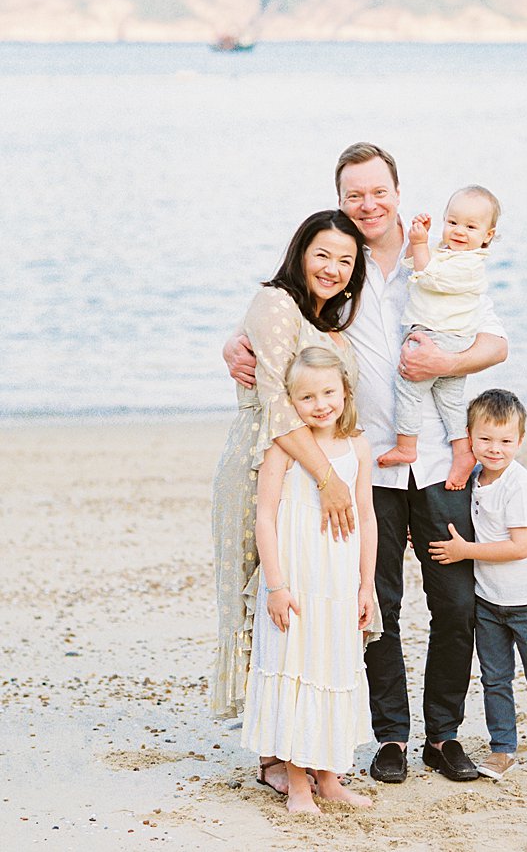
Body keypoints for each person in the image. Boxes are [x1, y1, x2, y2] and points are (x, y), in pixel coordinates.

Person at [225, 144, 508, 783]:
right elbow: (280, 324)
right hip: (364, 466)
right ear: (341, 200)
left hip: (436, 461)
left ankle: (443, 736)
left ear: (398, 192)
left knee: (455, 603)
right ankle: (390, 738)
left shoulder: (438, 259)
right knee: (376, 606)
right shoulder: (338, 269)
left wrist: (446, 363)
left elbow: (496, 343)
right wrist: (230, 345)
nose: (368, 204)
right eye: (354, 194)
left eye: (378, 191)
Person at [211, 210, 366, 736]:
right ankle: (271, 752)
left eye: (345, 260)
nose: (332, 269)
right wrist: (329, 478)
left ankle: (298, 737)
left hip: (310, 474)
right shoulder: (275, 302)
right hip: (262, 465)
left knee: (304, 605)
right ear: (300, 253)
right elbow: (278, 404)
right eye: (322, 254)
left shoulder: (326, 323)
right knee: (263, 598)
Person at [429, 389, 527, 782]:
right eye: (485, 439)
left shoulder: (521, 485)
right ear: (469, 437)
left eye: (505, 441)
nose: (495, 449)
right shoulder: (473, 479)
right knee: (495, 679)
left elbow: (520, 547)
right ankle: (503, 749)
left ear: (520, 441)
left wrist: (464, 551)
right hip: (488, 601)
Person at [241, 347, 377, 814]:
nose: (320, 404)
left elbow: (367, 518)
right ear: (290, 402)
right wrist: (276, 586)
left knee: (332, 667)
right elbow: (264, 517)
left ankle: (330, 779)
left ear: (345, 392)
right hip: (295, 582)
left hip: (338, 583)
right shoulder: (282, 447)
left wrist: (366, 585)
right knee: (296, 670)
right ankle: (298, 785)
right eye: (307, 397)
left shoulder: (358, 446)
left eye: (328, 393)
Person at [377, 185, 500, 491]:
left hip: (440, 337)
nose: (459, 231)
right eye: (452, 222)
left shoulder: (469, 264)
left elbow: (429, 278)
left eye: (470, 227)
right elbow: (412, 265)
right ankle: (462, 449)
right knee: (450, 399)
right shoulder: (446, 254)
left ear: (487, 235)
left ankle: (406, 445)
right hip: (454, 339)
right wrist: (416, 243)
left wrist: (420, 244)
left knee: (407, 386)